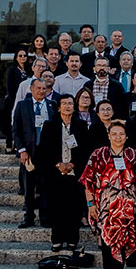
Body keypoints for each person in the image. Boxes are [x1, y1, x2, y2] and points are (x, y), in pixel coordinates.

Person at [81, 120, 136, 269]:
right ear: (108, 135)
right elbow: (88, 181)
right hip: (106, 209)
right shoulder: (99, 154)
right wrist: (90, 205)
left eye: (121, 134)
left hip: (128, 209)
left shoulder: (133, 154)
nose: (118, 137)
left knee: (124, 243)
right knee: (108, 244)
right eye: (114, 133)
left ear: (126, 136)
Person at [36, 95, 89, 251]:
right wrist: (58, 164)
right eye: (64, 104)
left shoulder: (81, 125)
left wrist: (72, 165)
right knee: (57, 207)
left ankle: (72, 240)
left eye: (70, 104)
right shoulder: (50, 125)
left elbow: (85, 150)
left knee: (73, 208)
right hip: (55, 173)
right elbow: (44, 150)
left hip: (74, 173)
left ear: (74, 107)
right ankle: (57, 240)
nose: (67, 106)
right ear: (58, 107)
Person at [12, 78, 56, 228]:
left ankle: (45, 217)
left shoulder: (52, 106)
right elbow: (16, 130)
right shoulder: (22, 105)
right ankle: (28, 216)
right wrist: (22, 150)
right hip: (29, 153)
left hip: (46, 154)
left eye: (44, 88)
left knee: (45, 187)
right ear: (31, 89)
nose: (41, 91)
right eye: (38, 88)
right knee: (29, 187)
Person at [5, 48, 29, 152]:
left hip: (24, 100)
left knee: (21, 123)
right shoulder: (12, 69)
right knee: (11, 122)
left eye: (24, 55)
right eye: (20, 56)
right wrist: (13, 100)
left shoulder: (28, 70)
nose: (23, 58)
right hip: (13, 100)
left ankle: (17, 144)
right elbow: (10, 87)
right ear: (16, 57)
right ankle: (8, 145)